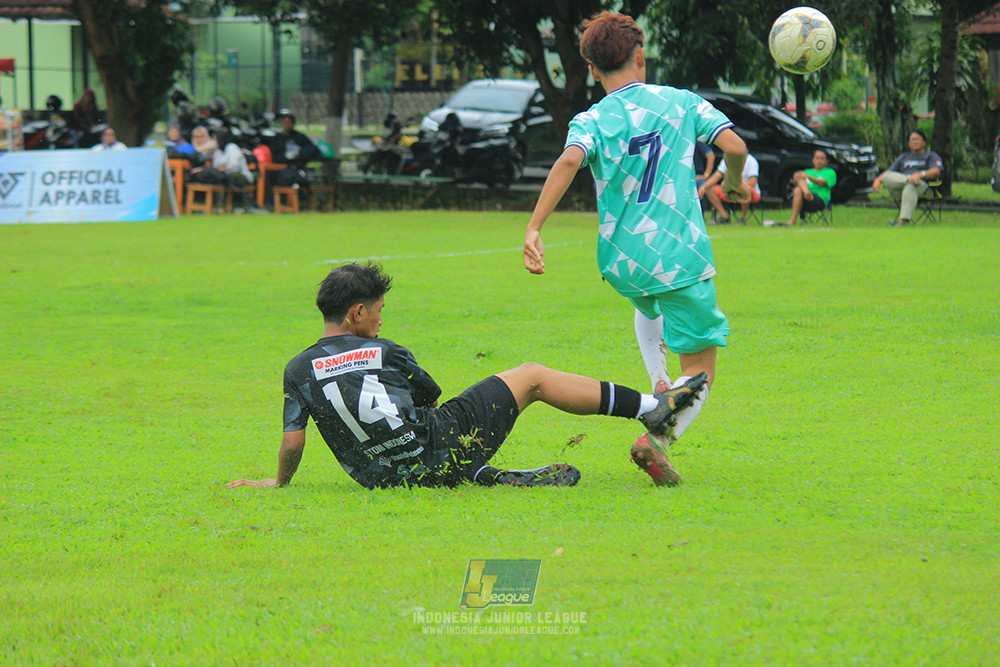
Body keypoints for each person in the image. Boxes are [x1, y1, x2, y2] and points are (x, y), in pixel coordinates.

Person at [227, 262, 709, 490]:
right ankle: (652, 407)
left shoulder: (297, 369)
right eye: (376, 311)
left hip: (383, 481)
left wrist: (278, 484)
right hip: (437, 451)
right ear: (355, 313)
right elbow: (430, 396)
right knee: (531, 376)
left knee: (440, 443)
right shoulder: (385, 351)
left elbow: (293, 443)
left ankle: (480, 472)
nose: (380, 320)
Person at [521, 11, 749, 485]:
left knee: (650, 303)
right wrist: (733, 181)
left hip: (621, 260)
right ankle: (657, 439)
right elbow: (737, 146)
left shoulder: (593, 117)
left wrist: (534, 227)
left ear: (592, 69)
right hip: (678, 256)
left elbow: (569, 160)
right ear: (641, 56)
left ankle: (657, 379)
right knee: (702, 366)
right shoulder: (681, 102)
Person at [872, 130, 943, 226]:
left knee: (911, 185)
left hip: (924, 188)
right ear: (909, 144)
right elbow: (889, 173)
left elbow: (936, 171)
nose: (915, 142)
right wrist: (877, 180)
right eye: (912, 140)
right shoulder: (903, 157)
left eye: (918, 139)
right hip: (902, 187)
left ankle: (903, 221)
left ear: (924, 142)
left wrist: (919, 174)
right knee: (887, 176)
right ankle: (908, 179)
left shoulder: (931, 156)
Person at [765, 149, 836, 227]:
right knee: (798, 188)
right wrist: (796, 177)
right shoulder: (807, 171)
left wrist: (807, 176)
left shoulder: (830, 172)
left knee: (799, 187)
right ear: (813, 160)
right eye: (817, 158)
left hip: (820, 200)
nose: (819, 161)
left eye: (822, 159)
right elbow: (796, 181)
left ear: (827, 161)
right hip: (803, 199)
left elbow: (821, 182)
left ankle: (792, 220)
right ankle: (806, 193)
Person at [267, 111, 320, 197]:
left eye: (288, 123)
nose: (286, 125)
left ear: (292, 124)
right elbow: (273, 154)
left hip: (296, 168)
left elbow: (313, 150)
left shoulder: (299, 137)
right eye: (284, 123)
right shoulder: (278, 139)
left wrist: (301, 160)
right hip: (281, 168)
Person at [702, 151, 761, 224]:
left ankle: (742, 218)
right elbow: (717, 175)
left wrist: (737, 186)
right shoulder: (727, 159)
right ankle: (724, 216)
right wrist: (703, 187)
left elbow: (753, 182)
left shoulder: (751, 161)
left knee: (743, 190)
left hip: (750, 192)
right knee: (709, 189)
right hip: (731, 190)